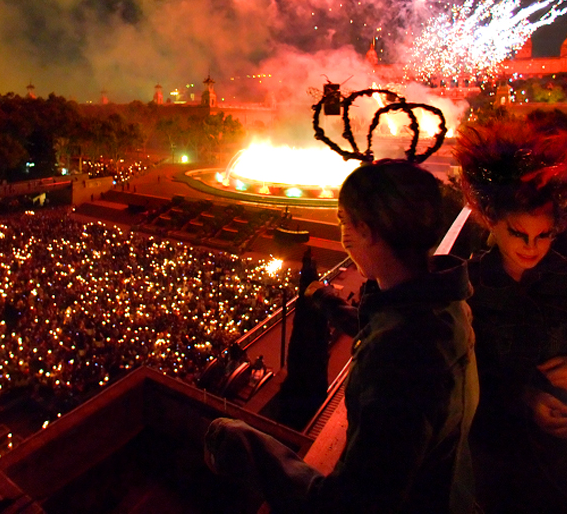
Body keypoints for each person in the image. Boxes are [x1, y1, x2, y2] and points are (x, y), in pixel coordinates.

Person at [204, 160, 477, 513]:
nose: (342, 235)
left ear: (366, 230)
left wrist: (242, 443)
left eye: (344, 222)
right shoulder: (445, 305)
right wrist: (328, 302)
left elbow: (352, 503)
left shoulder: (400, 357)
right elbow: (388, 324)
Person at [453, 118, 567, 513]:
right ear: (491, 220)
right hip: (492, 452)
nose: (531, 247)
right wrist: (524, 398)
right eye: (518, 234)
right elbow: (459, 374)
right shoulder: (466, 286)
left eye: (543, 235)